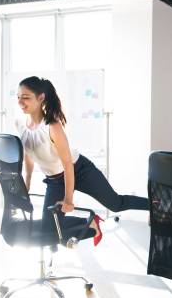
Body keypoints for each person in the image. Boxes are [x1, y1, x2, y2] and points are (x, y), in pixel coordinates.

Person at [15, 76, 148, 246]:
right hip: (55, 180)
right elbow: (29, 152)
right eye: (18, 97)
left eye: (26, 97)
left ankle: (156, 205)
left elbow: (68, 166)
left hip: (79, 170)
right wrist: (27, 182)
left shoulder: (52, 126)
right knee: (49, 227)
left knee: (115, 204)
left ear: (41, 98)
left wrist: (68, 199)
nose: (20, 101)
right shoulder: (20, 122)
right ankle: (91, 221)